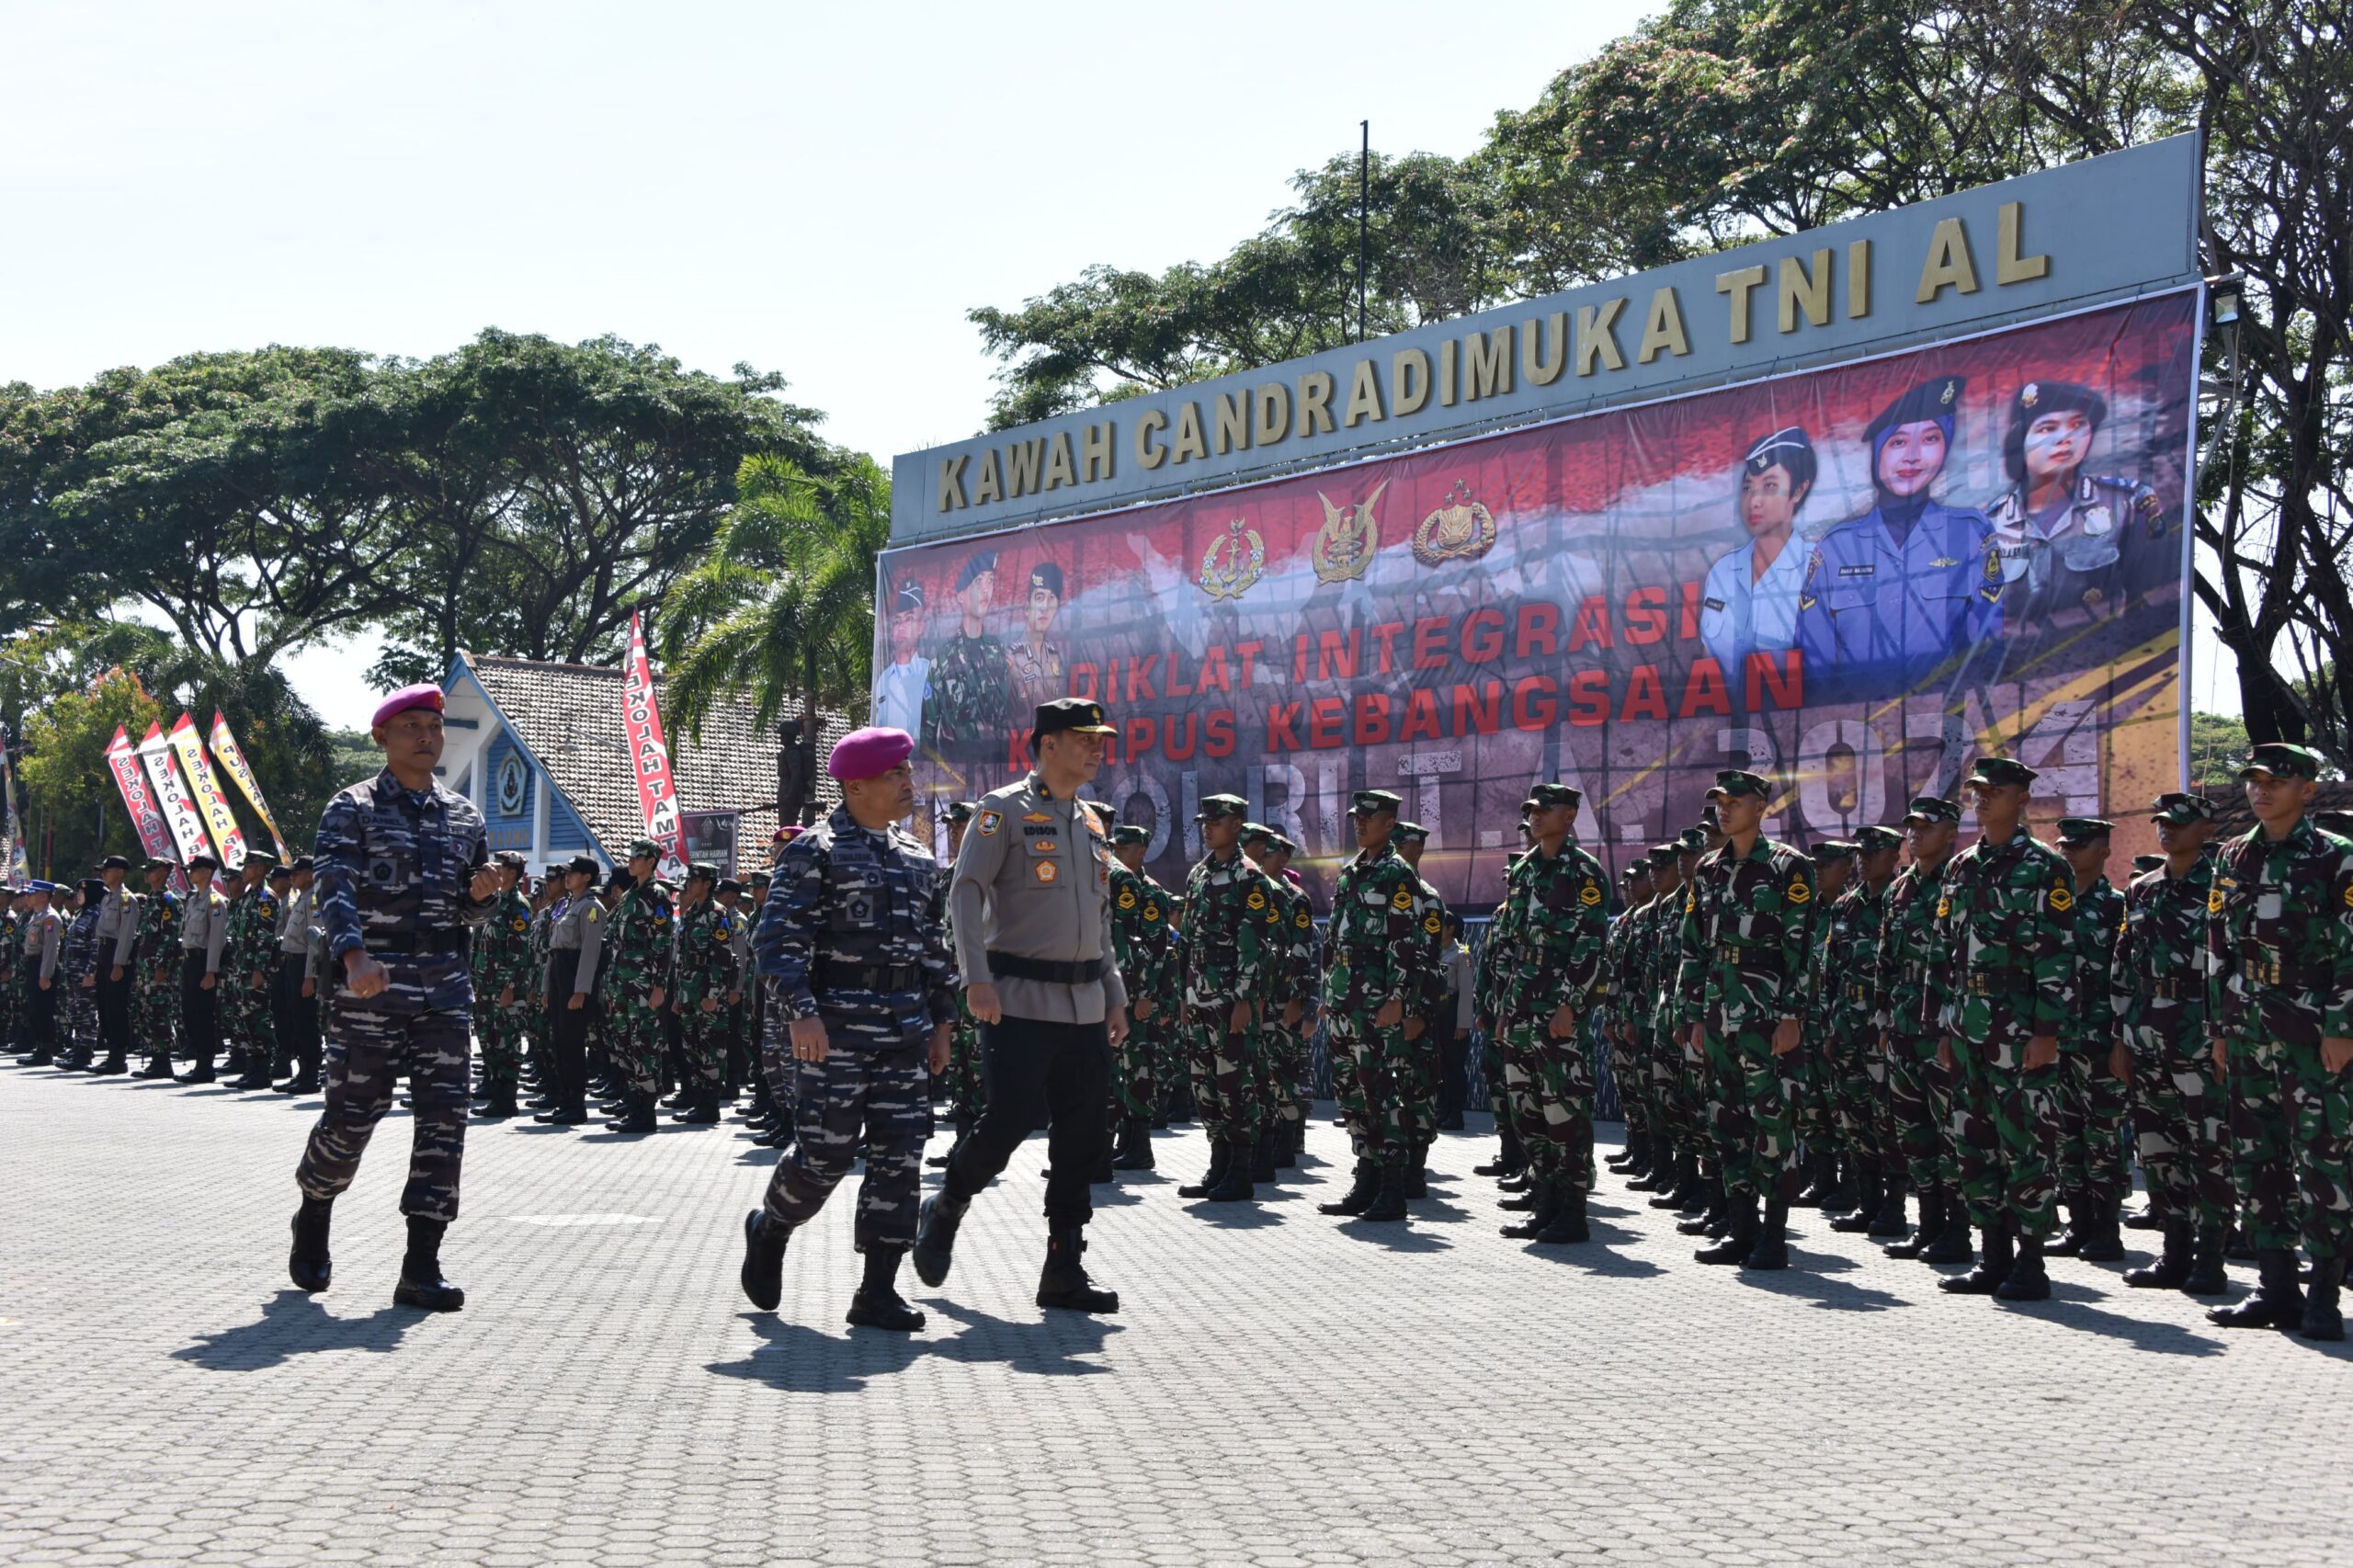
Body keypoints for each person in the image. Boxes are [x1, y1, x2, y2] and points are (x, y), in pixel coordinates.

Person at [287, 683, 498, 1313]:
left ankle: (420, 1265)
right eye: (411, 726)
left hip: (444, 984)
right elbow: (335, 886)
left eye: (433, 727)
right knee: (354, 1114)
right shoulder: (350, 809)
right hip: (371, 983)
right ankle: (316, 1204)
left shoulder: (464, 817)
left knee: (445, 1121)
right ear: (382, 737)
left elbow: (467, 907)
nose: (426, 737)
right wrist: (353, 956)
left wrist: (482, 896)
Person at [914, 697, 1129, 1313]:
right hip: (1018, 1002)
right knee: (1007, 1123)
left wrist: (1114, 995)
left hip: (1085, 1006)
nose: (1097, 748)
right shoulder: (1000, 811)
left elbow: (1101, 921)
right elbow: (965, 891)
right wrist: (974, 978)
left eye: (1100, 740)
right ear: (1047, 743)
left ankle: (1063, 1268)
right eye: (1084, 738)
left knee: (1082, 1139)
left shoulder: (1091, 823)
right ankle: (947, 1205)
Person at [735, 726, 955, 1332]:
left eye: (908, 772)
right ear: (856, 786)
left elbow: (933, 950)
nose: (909, 782)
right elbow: (776, 944)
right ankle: (772, 1226)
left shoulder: (916, 858)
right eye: (896, 775)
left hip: (906, 1030)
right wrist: (801, 1014)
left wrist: (943, 1022)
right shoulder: (815, 851)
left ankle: (877, 1290)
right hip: (836, 1032)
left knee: (900, 1155)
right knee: (825, 1155)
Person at [2202, 742, 2353, 1341]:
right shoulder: (2232, 856)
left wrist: (2343, 1027)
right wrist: (2219, 1028)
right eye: (2254, 779)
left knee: (2323, 1157)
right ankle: (2275, 1289)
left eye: (2277, 780)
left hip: (2314, 1025)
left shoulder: (2336, 857)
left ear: (2309, 789)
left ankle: (2323, 1296)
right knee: (2255, 1157)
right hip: (2247, 1026)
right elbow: (2218, 948)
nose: (2261, 789)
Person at [1926, 756, 2077, 1302]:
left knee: (2027, 1145)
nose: (1982, 798)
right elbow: (1943, 953)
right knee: (1975, 1143)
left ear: (2021, 799)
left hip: (2020, 1028)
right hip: (1968, 1025)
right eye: (1977, 790)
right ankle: (1992, 1258)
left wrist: (2047, 1032)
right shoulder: (1961, 866)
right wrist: (1943, 1024)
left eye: (1994, 791)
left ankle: (2031, 1264)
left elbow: (2058, 956)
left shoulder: (2043, 867)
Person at [1675, 772, 1818, 1267]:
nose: (1724, 809)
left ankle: (1774, 1237)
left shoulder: (1788, 867)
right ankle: (1741, 1229)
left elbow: (1801, 948)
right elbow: (1693, 947)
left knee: (1773, 1124)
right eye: (1719, 801)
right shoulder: (1709, 869)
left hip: (1767, 1014)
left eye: (1735, 802)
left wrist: (1792, 1016)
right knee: (1726, 1122)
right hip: (1718, 1014)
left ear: (1761, 807)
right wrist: (1693, 1014)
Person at [1793, 376, 2001, 699]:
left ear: (1945, 449)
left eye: (1931, 438)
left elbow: (1988, 643)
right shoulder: (1837, 547)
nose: (1913, 456)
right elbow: (1813, 657)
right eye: (1898, 442)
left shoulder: (1970, 534)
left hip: (1950, 723)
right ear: (1878, 454)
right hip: (1860, 731)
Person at [2115, 792, 2231, 1296]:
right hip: (2147, 1033)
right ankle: (2173, 1251)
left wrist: (2227, 1034)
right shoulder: (2141, 890)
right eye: (2162, 823)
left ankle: (2212, 1259)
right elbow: (2124, 966)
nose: (2168, 831)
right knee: (2157, 1149)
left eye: (2180, 824)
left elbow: (2237, 964)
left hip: (2202, 1032)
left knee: (2210, 1149)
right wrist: (2120, 1036)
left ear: (2206, 829)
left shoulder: (2226, 885)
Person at [1494, 783, 1611, 1244]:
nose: (1536, 817)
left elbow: (1591, 945)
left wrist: (1570, 1005)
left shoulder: (1584, 872)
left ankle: (1573, 1211)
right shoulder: (1523, 870)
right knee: (1527, 1111)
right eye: (1531, 811)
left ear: (1570, 815)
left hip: (1559, 1009)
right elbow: (1512, 943)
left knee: (1565, 1112)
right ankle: (1544, 1202)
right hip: (1522, 1006)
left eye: (1544, 811)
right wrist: (1504, 1007)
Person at [1982, 381, 2165, 636]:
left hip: (2106, 663)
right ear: (2020, 439)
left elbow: (2151, 596)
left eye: (2078, 425)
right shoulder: (1986, 524)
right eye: (2047, 428)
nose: (2065, 439)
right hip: (2013, 669)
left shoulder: (2124, 504)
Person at [1174, 793, 1282, 1207]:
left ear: (1237, 825)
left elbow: (1253, 945)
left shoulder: (1249, 877)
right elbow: (1188, 942)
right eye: (1205, 821)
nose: (1208, 827)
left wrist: (1243, 999)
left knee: (1233, 1083)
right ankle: (1218, 1164)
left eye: (1216, 821)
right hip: (1199, 995)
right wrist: (1185, 994)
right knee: (1204, 1084)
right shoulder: (1199, 874)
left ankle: (1241, 1169)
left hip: (1230, 999)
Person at [1317, 791, 1422, 1220]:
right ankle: (1367, 1179)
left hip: (1377, 1002)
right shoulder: (1350, 873)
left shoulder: (1398, 875)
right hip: (1344, 1001)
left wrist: (1398, 999)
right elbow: (1334, 939)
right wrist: (1326, 993)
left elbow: (1407, 944)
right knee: (1351, 1095)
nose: (1359, 823)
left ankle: (1393, 1188)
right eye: (1356, 817)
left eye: (1368, 817)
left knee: (1382, 1093)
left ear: (1390, 823)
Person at [1876, 798, 1969, 1263]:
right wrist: (1882, 1018)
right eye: (1910, 827)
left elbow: (1961, 961)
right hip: (1904, 1022)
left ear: (1950, 833)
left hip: (1943, 1027)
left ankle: (1958, 1231)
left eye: (1926, 828)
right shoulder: (1901, 889)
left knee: (1952, 1131)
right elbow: (1885, 962)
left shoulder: (1961, 881)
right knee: (1913, 1131)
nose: (1915, 835)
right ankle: (1928, 1225)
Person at [2049, 817, 2130, 1261]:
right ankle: (2077, 1224)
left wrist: (2121, 1036)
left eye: (2079, 845)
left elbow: (2127, 974)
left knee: (2103, 1136)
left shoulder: (2115, 905)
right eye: (2064, 844)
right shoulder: (2052, 904)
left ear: (2103, 851)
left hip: (2099, 1037)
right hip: (2058, 1037)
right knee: (2067, 1134)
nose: (2069, 851)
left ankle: (2106, 1229)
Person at [1699, 427, 1816, 687]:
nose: (1754, 500)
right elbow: (1709, 659)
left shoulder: (1816, 569)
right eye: (1748, 487)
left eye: (1769, 486)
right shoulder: (1723, 570)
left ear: (1797, 491)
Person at [1104, 822, 1170, 1173]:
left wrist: (1146, 994)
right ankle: (1126, 1142)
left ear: (1140, 851)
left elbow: (1156, 949)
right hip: (1121, 994)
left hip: (1139, 996)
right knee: (1121, 1070)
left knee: (1139, 1067)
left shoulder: (1150, 893)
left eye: (1123, 848)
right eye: (1115, 847)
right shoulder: (1115, 884)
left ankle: (1140, 1146)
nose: (1116, 852)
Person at [599, 839, 675, 1134]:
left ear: (652, 861)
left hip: (644, 986)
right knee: (625, 1045)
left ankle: (646, 1113)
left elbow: (663, 944)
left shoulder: (658, 897)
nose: (630, 861)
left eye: (637, 857)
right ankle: (633, 1106)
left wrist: (659, 986)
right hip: (621, 985)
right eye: (630, 856)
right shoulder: (630, 895)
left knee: (644, 1046)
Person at [535, 856, 604, 1128]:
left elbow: (590, 952)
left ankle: (576, 1104)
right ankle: (564, 1100)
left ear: (587, 877)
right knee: (559, 1043)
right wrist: (545, 987)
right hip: (559, 975)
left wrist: (581, 990)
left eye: (573, 873)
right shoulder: (566, 906)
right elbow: (553, 949)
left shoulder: (591, 908)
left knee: (572, 1045)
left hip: (574, 976)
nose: (567, 877)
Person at [668, 861, 739, 1125]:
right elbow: (682, 959)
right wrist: (677, 995)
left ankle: (710, 1105)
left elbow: (722, 959)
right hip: (688, 993)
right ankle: (699, 1100)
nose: (689, 884)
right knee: (692, 1047)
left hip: (708, 995)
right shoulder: (689, 915)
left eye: (694, 879)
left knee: (710, 1048)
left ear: (707, 884)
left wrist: (712, 994)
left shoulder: (717, 914)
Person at [921, 551, 1006, 767]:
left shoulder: (998, 652)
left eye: (990, 581)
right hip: (955, 778)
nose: (986, 589)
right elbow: (928, 731)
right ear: (960, 595)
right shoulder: (942, 661)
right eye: (978, 582)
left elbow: (1010, 718)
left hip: (996, 775)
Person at [467, 853, 531, 1118]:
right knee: (488, 1039)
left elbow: (521, 952)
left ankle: (507, 1099)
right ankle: (495, 1091)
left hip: (504, 988)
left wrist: (510, 988)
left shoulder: (518, 905)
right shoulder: (494, 901)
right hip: (485, 985)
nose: (494, 869)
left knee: (506, 1042)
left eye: (501, 867)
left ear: (513, 873)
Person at [272, 858, 324, 1096]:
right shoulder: (301, 899)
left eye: (297, 873)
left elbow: (314, 942)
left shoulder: (313, 899)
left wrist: (309, 977)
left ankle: (310, 1075)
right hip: (292, 963)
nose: (291, 877)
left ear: (311, 874)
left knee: (306, 1022)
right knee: (296, 1019)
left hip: (304, 964)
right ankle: (302, 1073)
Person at [131, 858, 182, 1079]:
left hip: (158, 968)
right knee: (146, 1013)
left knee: (159, 1013)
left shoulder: (169, 901)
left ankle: (163, 1061)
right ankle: (155, 1057)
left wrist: (162, 966)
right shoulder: (152, 899)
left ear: (162, 873)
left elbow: (170, 938)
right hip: (145, 967)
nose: (147, 874)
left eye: (151, 870)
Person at [89, 855, 139, 1074]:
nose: (103, 874)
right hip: (104, 953)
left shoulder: (127, 900)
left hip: (117, 955)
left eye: (107, 870)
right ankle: (111, 1052)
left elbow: (127, 935)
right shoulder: (108, 898)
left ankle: (118, 1056)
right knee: (104, 1005)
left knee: (116, 1007)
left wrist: (118, 964)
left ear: (119, 872)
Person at [1006, 562, 1067, 716]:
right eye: (1039, 597)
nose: (1044, 607)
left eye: (1051, 598)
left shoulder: (1055, 656)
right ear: (1027, 608)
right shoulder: (1011, 658)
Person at [872, 577, 932, 738]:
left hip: (924, 761)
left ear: (921, 627)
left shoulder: (931, 673)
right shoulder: (883, 681)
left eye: (909, 619)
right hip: (893, 762)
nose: (901, 627)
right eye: (897, 621)